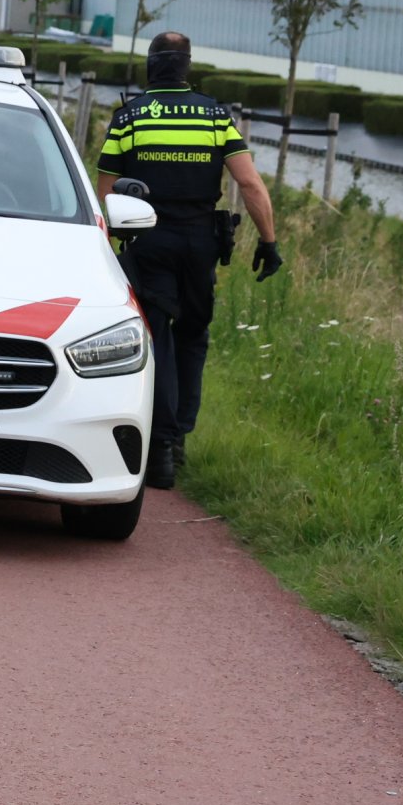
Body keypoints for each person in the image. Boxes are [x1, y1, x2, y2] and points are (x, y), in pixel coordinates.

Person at [97, 31, 280, 490]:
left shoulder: (129, 117)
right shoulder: (217, 116)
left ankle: (159, 450)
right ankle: (180, 437)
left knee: (156, 338)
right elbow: (251, 185)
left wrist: (103, 243)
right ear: (187, 67)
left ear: (150, 66)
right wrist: (268, 241)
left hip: (148, 240)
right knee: (194, 334)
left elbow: (104, 191)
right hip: (201, 243)